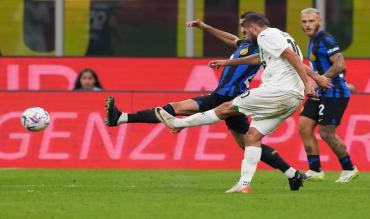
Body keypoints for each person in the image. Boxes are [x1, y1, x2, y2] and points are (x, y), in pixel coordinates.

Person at [105, 12, 315, 191]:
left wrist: (312, 79)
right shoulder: (246, 44)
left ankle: (125, 118)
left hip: (231, 96)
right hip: (223, 94)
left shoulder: (263, 43)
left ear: (253, 27)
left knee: (176, 108)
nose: (242, 33)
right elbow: (229, 38)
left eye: (244, 28)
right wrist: (204, 27)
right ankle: (292, 173)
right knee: (250, 141)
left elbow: (291, 58)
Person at [299, 8, 359, 182]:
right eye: (304, 22)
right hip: (321, 91)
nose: (308, 25)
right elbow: (319, 68)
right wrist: (312, 84)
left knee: (326, 133)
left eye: (311, 21)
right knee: (304, 126)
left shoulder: (325, 39)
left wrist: (321, 79)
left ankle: (349, 168)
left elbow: (340, 64)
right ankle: (315, 170)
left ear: (319, 22)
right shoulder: (312, 41)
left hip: (335, 92)